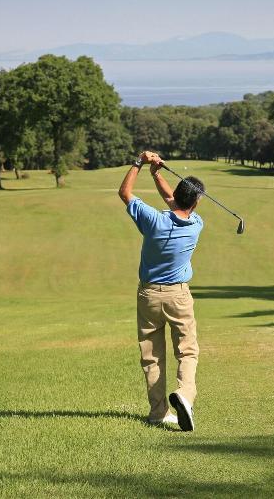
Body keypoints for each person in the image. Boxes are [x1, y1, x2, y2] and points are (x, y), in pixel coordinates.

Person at [118, 150, 204, 432]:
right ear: (195, 203)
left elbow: (125, 193)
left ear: (177, 195)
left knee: (152, 356)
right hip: (179, 296)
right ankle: (185, 396)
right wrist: (157, 174)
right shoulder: (196, 224)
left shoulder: (153, 220)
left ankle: (158, 413)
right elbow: (175, 202)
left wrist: (140, 163)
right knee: (187, 352)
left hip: (149, 296)